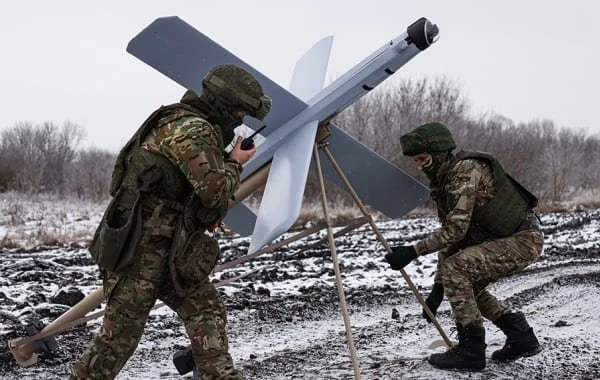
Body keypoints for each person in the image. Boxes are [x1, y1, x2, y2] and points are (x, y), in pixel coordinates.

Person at [70, 64, 271, 380]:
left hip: (170, 251)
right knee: (117, 341)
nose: (240, 120)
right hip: (139, 253)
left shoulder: (186, 122)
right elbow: (214, 192)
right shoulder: (193, 129)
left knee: (207, 311)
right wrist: (235, 162)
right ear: (225, 104)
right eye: (240, 112)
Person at [384, 122, 543, 371]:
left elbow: (455, 230)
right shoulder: (446, 181)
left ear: (437, 155)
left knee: (457, 270)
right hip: (507, 239)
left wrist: (413, 251)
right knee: (467, 287)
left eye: (422, 159)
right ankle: (521, 336)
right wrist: (438, 288)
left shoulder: (464, 172)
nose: (419, 166)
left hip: (522, 240)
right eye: (415, 160)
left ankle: (471, 351)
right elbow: (455, 239)